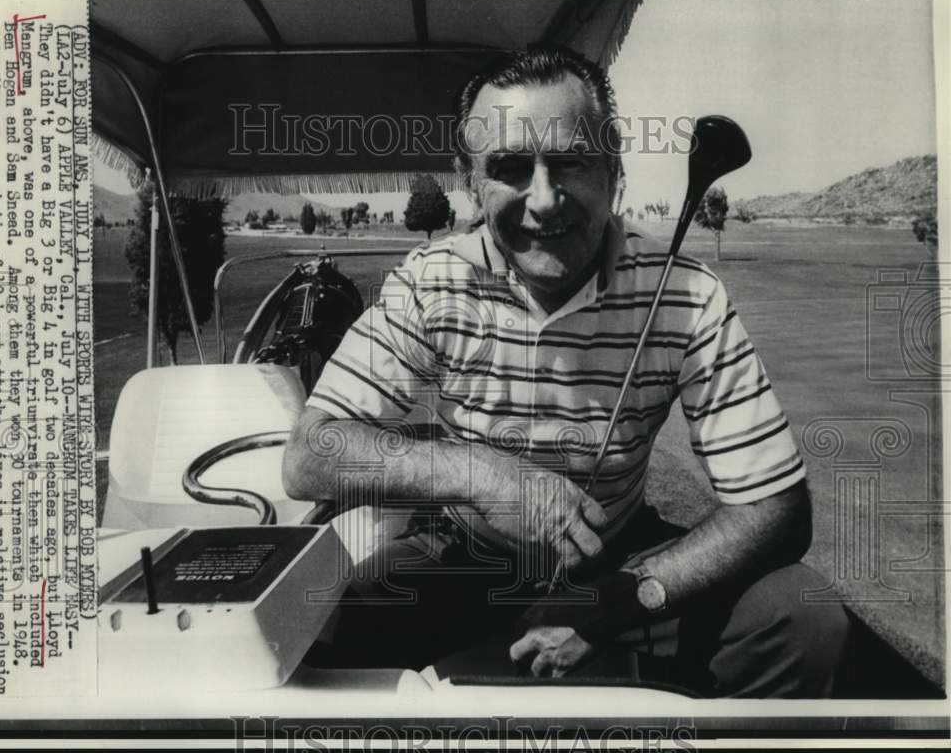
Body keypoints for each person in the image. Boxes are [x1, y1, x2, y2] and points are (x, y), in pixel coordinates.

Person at [283, 46, 849, 697]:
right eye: (510, 167)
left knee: (801, 620)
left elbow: (775, 508)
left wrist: (626, 598)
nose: (545, 199)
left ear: (613, 173)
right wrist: (484, 475)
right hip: (462, 554)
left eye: (572, 161)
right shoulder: (430, 283)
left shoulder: (687, 296)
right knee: (313, 630)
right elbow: (309, 455)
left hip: (618, 559)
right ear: (473, 186)